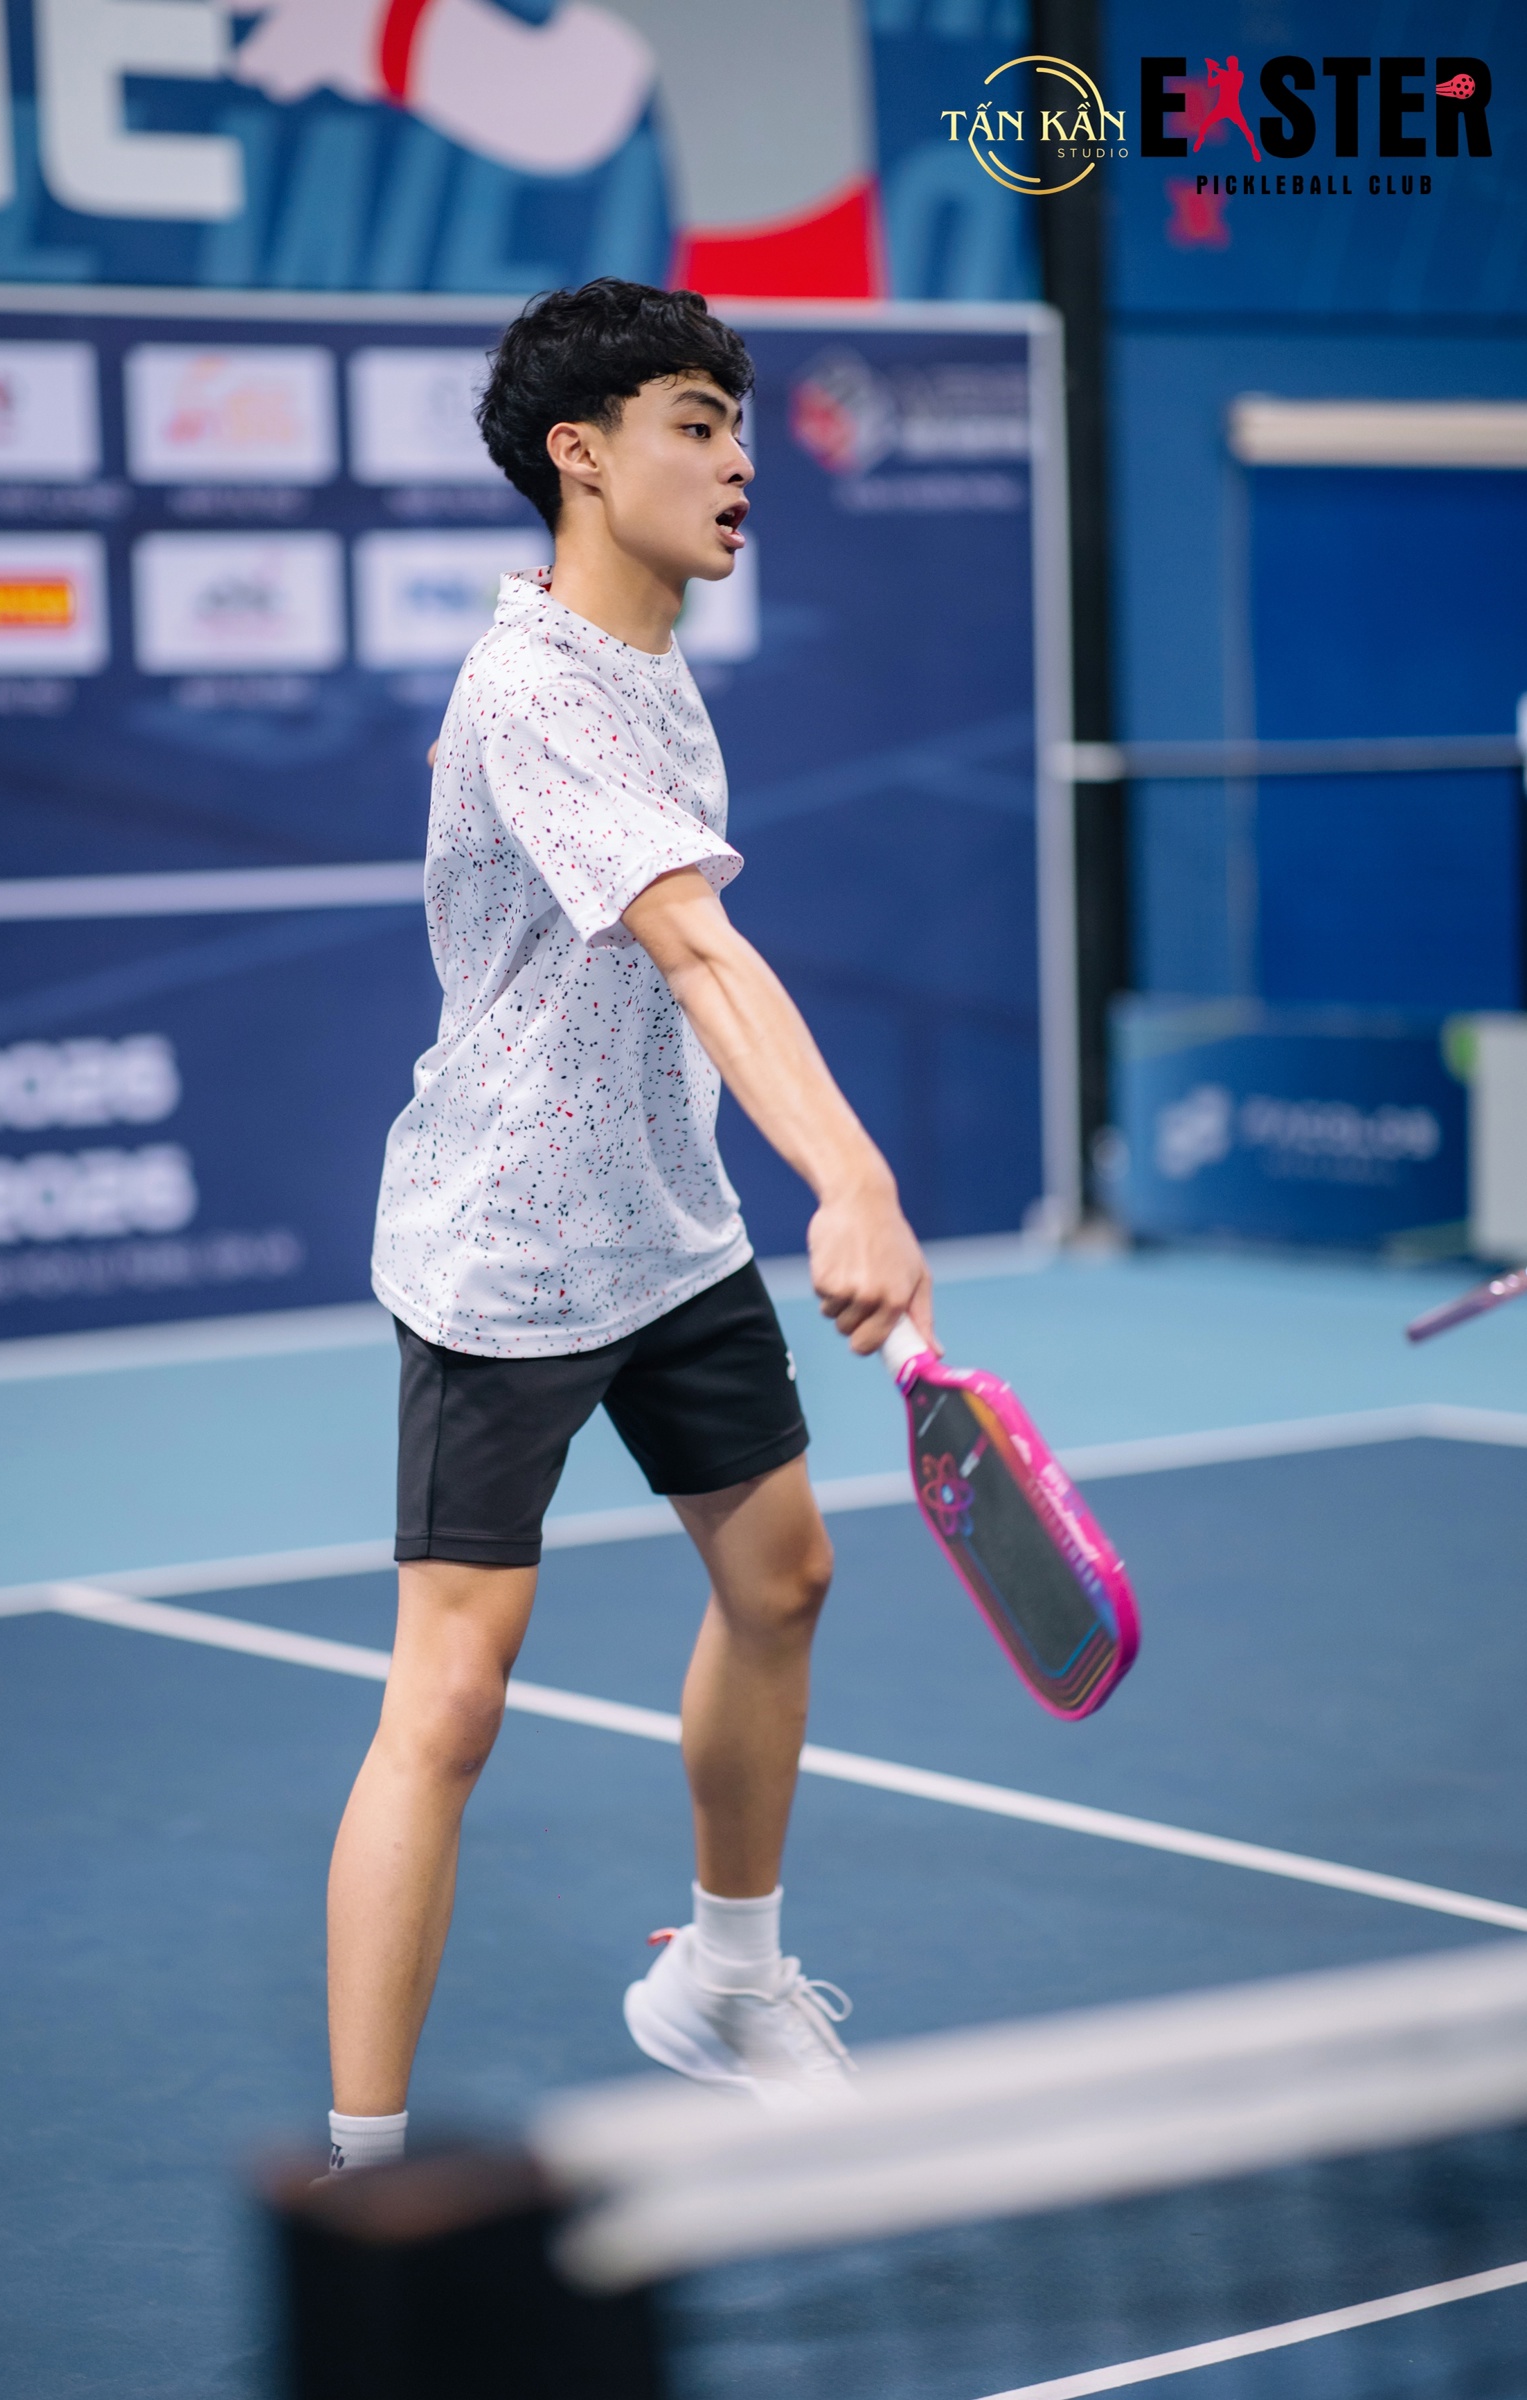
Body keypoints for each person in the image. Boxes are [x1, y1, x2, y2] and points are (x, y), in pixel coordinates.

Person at [324, 280, 934, 2172]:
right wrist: (855, 1178)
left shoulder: (650, 660)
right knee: (451, 1700)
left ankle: (726, 1983)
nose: (741, 461)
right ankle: (365, 2173)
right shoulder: (533, 689)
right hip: (507, 1250)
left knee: (784, 1580)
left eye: (737, 423)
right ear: (578, 455)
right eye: (695, 421)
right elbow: (699, 949)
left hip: (665, 1221)